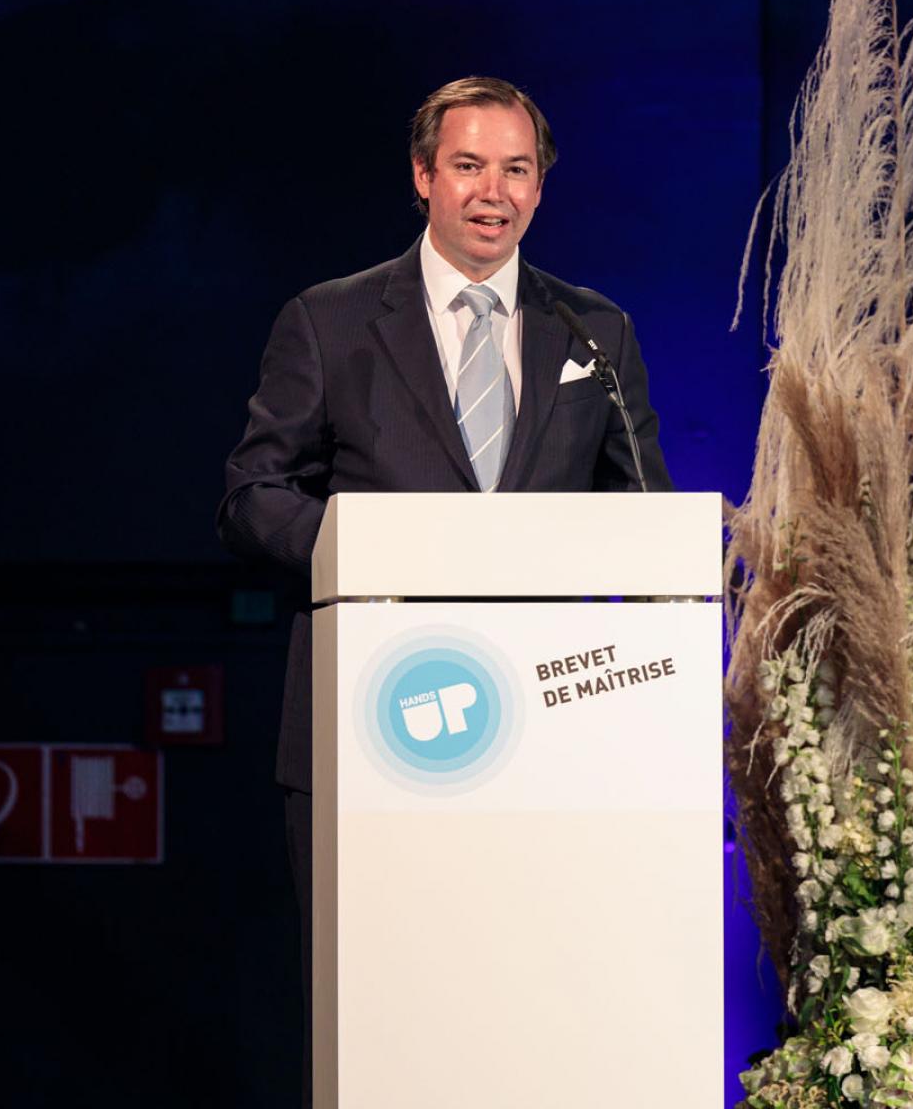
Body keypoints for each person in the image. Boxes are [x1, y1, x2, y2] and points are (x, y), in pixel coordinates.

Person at [215, 75, 671, 1104]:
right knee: (378, 1023)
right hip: (367, 724)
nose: (492, 192)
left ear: (541, 187)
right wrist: (365, 548)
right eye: (468, 166)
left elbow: (643, 518)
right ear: (423, 177)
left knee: (515, 1013)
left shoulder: (596, 332)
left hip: (545, 728)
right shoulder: (329, 322)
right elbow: (250, 495)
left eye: (516, 169)